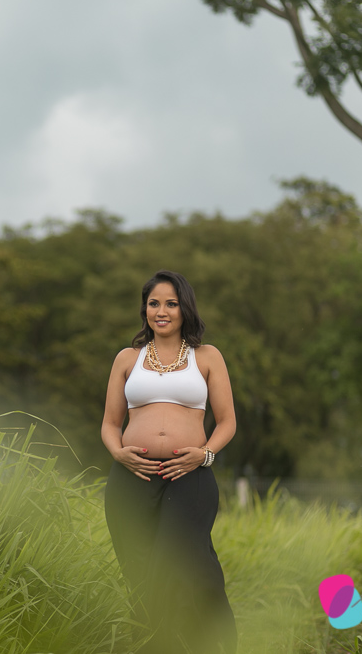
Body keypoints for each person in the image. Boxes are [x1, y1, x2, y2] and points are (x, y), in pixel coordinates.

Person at [101, 270, 237, 654]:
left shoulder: (206, 357)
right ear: (145, 309)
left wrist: (205, 454)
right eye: (154, 303)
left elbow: (227, 421)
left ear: (185, 308)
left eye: (171, 303)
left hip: (188, 477)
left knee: (187, 568)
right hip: (131, 478)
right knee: (140, 575)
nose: (162, 311)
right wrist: (118, 452)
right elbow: (110, 424)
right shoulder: (127, 358)